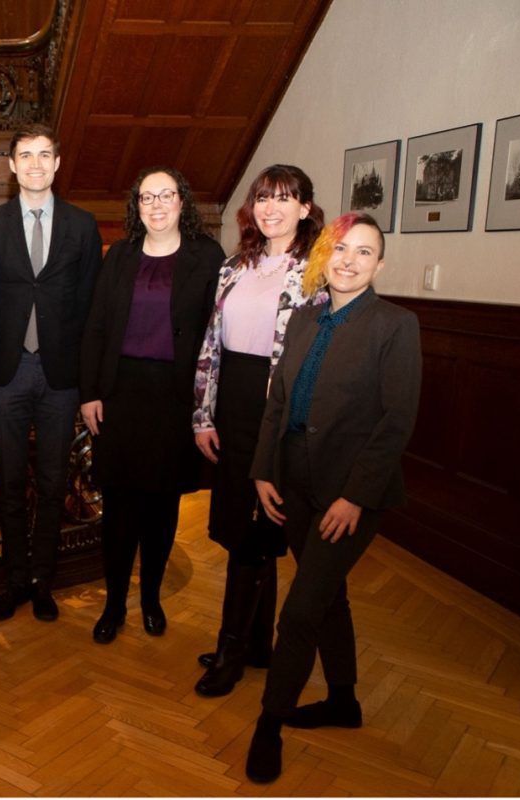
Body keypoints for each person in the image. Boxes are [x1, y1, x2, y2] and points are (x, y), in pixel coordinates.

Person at [244, 213, 421, 782]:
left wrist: (354, 498)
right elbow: (278, 402)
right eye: (341, 248)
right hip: (292, 483)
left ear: (380, 265)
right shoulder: (301, 318)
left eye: (364, 253)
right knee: (328, 595)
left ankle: (268, 724)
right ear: (326, 254)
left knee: (299, 609)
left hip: (351, 494)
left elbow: (396, 422)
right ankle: (343, 700)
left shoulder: (395, 325)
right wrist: (264, 471)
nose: (348, 260)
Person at [190, 164, 325, 696]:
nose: (272, 208)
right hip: (232, 408)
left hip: (281, 413)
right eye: (264, 198)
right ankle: (257, 643)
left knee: (257, 531)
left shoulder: (316, 270)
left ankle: (230, 649)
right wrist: (203, 414)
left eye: (285, 198)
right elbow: (210, 346)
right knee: (240, 528)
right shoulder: (231, 268)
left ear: (305, 208)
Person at [79, 167, 223, 644]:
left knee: (161, 509)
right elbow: (96, 325)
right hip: (120, 395)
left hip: (174, 397)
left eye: (166, 196)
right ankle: (114, 603)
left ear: (183, 202)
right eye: (147, 198)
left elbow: (215, 335)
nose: (156, 205)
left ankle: (152, 599)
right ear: (136, 207)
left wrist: (206, 404)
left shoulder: (206, 256)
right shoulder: (118, 256)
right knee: (118, 508)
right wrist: (90, 393)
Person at [0, 124, 102, 623]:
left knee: (54, 482)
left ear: (56, 163)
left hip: (61, 376)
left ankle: (43, 581)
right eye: (24, 156)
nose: (34, 164)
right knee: (8, 481)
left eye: (43, 155)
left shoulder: (82, 224)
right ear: (11, 165)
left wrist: (91, 385)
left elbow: (93, 309)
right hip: (6, 373)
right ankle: (14, 580)